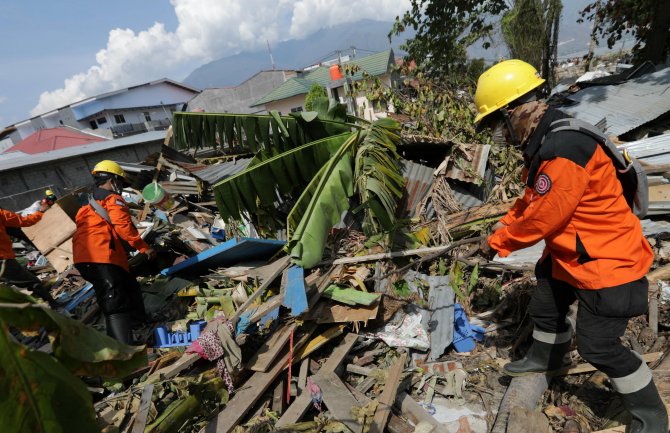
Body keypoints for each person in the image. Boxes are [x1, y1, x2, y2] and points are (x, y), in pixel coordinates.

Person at [474, 59, 667, 433]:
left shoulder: (564, 147)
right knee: (546, 303)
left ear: (517, 111)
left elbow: (544, 218)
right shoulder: (547, 138)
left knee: (599, 348)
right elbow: (530, 202)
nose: (499, 133)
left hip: (606, 262)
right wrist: (503, 225)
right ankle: (546, 359)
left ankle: (653, 416)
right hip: (574, 252)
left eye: (498, 122)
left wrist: (496, 242)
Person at [73, 160, 155, 344]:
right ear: (112, 180)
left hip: (86, 257)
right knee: (114, 301)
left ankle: (138, 325)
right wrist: (144, 247)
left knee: (129, 287)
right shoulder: (113, 199)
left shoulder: (86, 206)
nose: (121, 187)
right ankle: (123, 350)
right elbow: (123, 227)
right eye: (120, 182)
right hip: (101, 256)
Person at [0, 203, 57, 305]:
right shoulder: (1, 214)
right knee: (33, 283)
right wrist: (41, 212)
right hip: (3, 261)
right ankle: (54, 307)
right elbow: (25, 221)